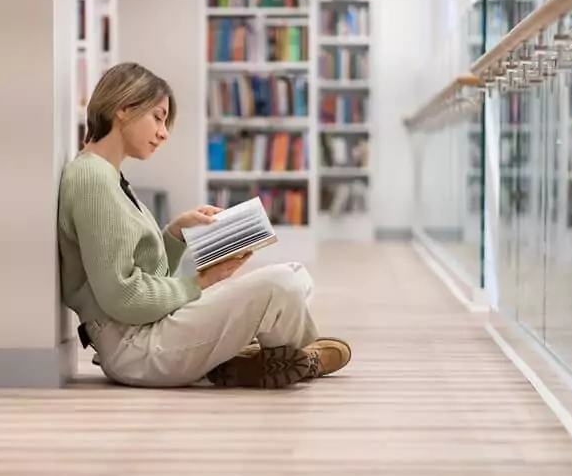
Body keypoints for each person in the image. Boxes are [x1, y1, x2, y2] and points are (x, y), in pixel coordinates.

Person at [57, 62, 351, 389]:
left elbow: (142, 276)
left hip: (147, 333)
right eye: (158, 116)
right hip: (136, 348)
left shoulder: (108, 176)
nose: (164, 132)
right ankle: (300, 356)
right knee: (282, 284)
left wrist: (175, 233)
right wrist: (202, 282)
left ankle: (254, 358)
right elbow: (124, 297)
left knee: (296, 274)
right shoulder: (93, 179)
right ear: (124, 109)